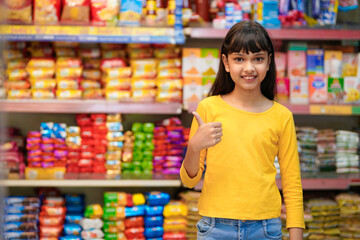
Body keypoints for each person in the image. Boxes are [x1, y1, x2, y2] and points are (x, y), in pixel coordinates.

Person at [180, 20, 305, 240]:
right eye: (239, 59)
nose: (249, 68)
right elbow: (189, 181)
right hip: (215, 228)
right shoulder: (208, 109)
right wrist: (194, 146)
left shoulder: (282, 116)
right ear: (226, 63)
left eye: (257, 59)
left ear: (269, 63)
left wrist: (295, 236)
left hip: (265, 228)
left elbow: (292, 183)